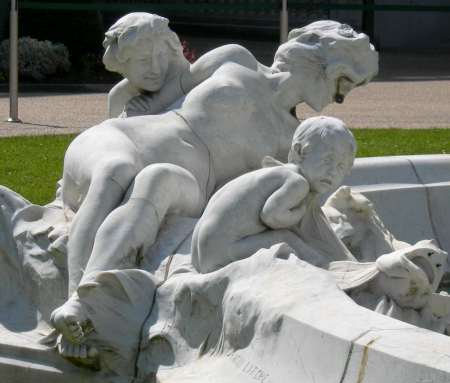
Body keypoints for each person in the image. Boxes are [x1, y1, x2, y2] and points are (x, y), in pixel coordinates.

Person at [50, 21, 378, 348]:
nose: (342, 96)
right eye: (348, 81)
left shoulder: (298, 140)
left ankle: (90, 299)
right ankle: (77, 298)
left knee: (155, 179)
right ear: (325, 58)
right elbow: (156, 94)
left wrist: (358, 267)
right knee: (117, 169)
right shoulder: (236, 58)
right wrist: (123, 94)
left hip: (190, 188)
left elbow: (299, 208)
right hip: (125, 140)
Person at [191, 116, 357, 273]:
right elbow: (272, 216)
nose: (332, 172)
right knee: (287, 239)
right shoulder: (297, 183)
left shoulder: (276, 174)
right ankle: (325, 268)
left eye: (341, 167)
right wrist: (299, 213)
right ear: (299, 152)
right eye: (328, 160)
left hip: (201, 255)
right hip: (222, 253)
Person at [103, 13, 190, 117]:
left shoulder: (191, 80)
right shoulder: (120, 97)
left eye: (161, 56)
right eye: (144, 60)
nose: (156, 69)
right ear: (120, 63)